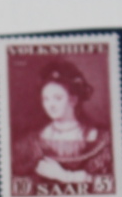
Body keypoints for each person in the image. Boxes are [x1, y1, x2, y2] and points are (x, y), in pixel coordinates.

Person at [12, 59, 112, 188]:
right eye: (46, 99)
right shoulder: (30, 141)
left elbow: (110, 183)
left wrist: (66, 176)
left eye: (57, 98)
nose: (50, 105)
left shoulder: (101, 139)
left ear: (73, 100)